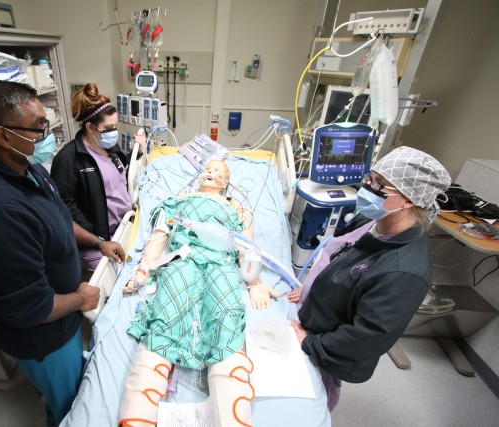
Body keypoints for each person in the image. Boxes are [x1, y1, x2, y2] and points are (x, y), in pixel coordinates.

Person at [0, 80, 99, 426]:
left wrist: (96, 242)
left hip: (62, 318)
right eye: (39, 127)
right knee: (71, 407)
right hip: (43, 336)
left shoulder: (26, 169)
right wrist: (79, 298)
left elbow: (59, 220)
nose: (48, 133)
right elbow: (31, 307)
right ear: (3, 136)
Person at [289, 146, 451, 411]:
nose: (368, 189)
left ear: (409, 199)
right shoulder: (373, 219)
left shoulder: (404, 272)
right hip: (315, 317)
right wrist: (312, 289)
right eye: (371, 178)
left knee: (314, 397)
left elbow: (365, 338)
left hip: (327, 346)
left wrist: (308, 343)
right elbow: (340, 258)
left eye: (381, 184)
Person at [118, 159, 277, 427]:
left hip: (221, 263)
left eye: (219, 172)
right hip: (183, 259)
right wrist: (143, 271)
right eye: (209, 169)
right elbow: (159, 238)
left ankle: (232, 418)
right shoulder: (178, 201)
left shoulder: (237, 208)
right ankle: (137, 417)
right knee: (167, 313)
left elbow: (246, 250)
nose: (211, 173)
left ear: (226, 182)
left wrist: (253, 283)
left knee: (226, 316)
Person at [50, 83, 143, 275]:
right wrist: (96, 237)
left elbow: (120, 174)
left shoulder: (108, 145)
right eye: (109, 128)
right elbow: (64, 206)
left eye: (115, 126)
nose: (114, 132)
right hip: (99, 242)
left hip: (124, 226)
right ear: (90, 127)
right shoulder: (69, 160)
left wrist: (138, 153)